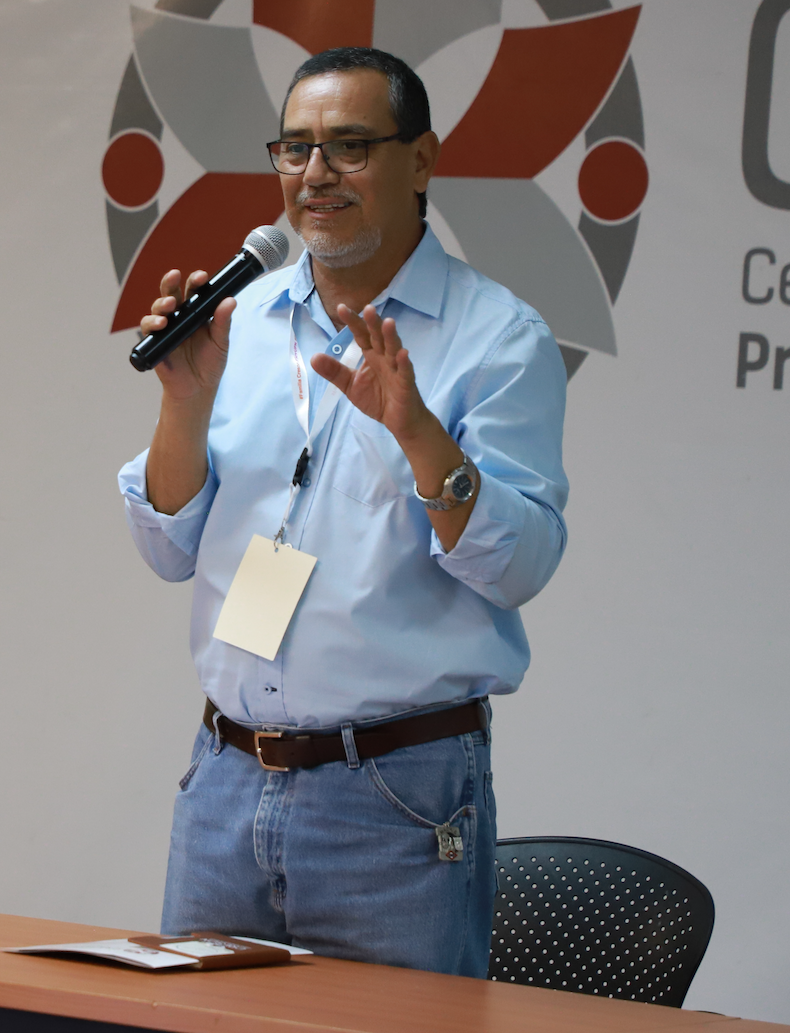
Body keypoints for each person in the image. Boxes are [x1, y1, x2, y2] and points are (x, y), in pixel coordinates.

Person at [118, 47, 568, 974]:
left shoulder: (497, 338)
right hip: (226, 780)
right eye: (296, 148)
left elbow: (520, 566)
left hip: (396, 796)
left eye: (350, 146)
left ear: (422, 160)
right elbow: (166, 547)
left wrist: (421, 438)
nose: (315, 173)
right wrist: (183, 404)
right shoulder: (240, 320)